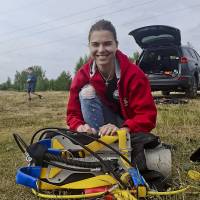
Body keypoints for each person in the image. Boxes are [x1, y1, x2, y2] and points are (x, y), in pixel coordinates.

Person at [66, 19, 157, 136]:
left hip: (127, 128)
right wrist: (79, 127)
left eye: (107, 43)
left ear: (116, 45)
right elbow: (72, 114)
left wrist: (123, 130)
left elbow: (147, 116)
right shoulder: (82, 74)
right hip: (96, 126)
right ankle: (96, 141)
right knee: (87, 91)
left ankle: (110, 145)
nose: (101, 50)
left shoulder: (134, 74)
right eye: (95, 44)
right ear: (89, 46)